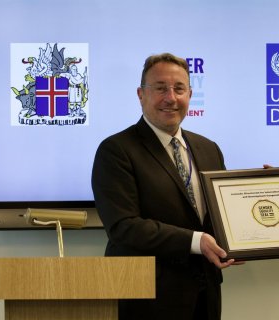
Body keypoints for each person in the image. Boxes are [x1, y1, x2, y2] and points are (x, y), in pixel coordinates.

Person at [91, 53, 235, 320]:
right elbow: (124, 226)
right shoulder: (116, 150)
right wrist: (196, 241)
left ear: (190, 94)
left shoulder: (208, 148)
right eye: (160, 88)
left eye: (179, 88)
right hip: (146, 296)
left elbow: (220, 214)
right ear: (140, 94)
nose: (171, 97)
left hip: (205, 294)